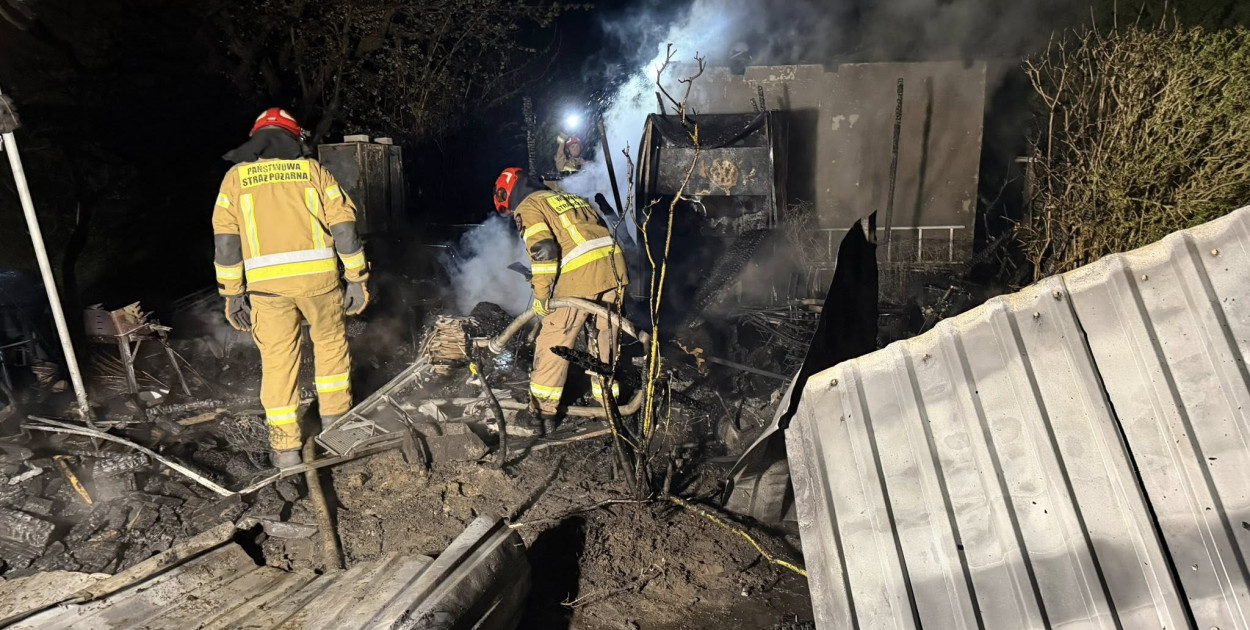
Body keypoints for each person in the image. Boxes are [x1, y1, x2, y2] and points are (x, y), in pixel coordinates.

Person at [212, 108, 371, 468]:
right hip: (320, 285)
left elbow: (225, 244)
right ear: (293, 138)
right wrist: (357, 279)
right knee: (331, 352)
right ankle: (339, 433)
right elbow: (345, 231)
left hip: (267, 292)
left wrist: (232, 294)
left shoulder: (235, 180)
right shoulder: (314, 172)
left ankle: (286, 452)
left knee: (278, 364)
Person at [493, 167, 628, 432]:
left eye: (508, 210)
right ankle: (607, 404)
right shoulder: (568, 197)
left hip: (582, 275)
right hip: (615, 269)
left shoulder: (529, 205)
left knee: (554, 341)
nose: (512, 214)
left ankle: (541, 415)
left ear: (506, 195)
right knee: (606, 337)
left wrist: (542, 296)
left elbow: (544, 250)